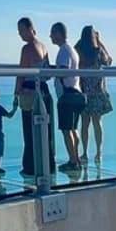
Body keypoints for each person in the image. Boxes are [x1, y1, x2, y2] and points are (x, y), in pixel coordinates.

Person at [14, 18, 56, 179]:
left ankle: (30, 167)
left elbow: (22, 72)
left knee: (29, 131)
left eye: (21, 31)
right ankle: (48, 165)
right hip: (44, 91)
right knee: (45, 131)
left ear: (30, 29)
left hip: (29, 91)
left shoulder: (27, 49)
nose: (20, 35)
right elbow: (47, 73)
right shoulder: (44, 47)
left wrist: (17, 91)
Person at [50, 22, 86, 171]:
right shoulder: (71, 50)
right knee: (73, 129)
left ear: (58, 34)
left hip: (67, 96)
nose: (51, 36)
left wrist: (51, 72)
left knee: (66, 130)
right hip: (76, 93)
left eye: (52, 33)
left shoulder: (64, 51)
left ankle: (73, 161)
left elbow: (64, 71)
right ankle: (76, 158)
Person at [76, 26, 113, 164]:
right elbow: (108, 61)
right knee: (97, 123)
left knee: (85, 124)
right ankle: (98, 152)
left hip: (84, 92)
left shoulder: (79, 50)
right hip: (98, 92)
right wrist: (100, 41)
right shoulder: (98, 51)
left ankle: (84, 153)